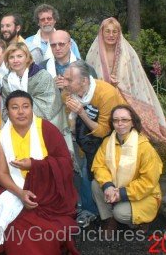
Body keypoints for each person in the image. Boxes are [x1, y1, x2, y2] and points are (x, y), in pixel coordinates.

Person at [0, 90, 78, 254]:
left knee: (42, 233)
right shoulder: (1, 137)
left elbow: (65, 163)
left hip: (49, 193)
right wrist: (20, 193)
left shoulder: (47, 129)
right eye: (15, 107)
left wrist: (34, 166)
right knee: (16, 232)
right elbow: (2, 174)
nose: (20, 112)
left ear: (32, 109)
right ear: (7, 112)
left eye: (25, 107)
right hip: (17, 190)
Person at [86, 17, 166, 143]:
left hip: (126, 96)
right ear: (101, 33)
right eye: (107, 31)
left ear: (119, 34)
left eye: (115, 32)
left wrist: (118, 83)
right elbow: (90, 79)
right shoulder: (92, 53)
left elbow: (135, 77)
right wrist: (107, 85)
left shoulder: (128, 53)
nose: (111, 35)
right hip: (102, 99)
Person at [63, 60, 126, 219]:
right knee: (85, 172)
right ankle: (91, 210)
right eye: (65, 79)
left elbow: (103, 131)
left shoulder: (106, 93)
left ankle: (99, 212)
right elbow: (68, 114)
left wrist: (82, 113)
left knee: (92, 173)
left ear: (84, 81)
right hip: (86, 140)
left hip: (114, 139)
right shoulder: (71, 91)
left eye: (69, 80)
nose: (65, 83)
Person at [91, 105, 163, 236]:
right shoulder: (108, 142)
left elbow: (148, 181)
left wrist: (122, 193)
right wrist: (108, 186)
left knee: (121, 213)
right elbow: (99, 166)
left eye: (124, 120)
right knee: (96, 185)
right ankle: (109, 219)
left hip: (143, 193)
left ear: (133, 122)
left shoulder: (144, 147)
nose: (120, 124)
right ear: (112, 123)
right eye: (116, 120)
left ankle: (141, 221)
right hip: (116, 187)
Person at [1, 43, 65, 133]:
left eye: (19, 56)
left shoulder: (42, 76)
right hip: (16, 125)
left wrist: (19, 112)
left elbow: (47, 104)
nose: (15, 60)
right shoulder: (7, 80)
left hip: (46, 124)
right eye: (11, 57)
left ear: (27, 58)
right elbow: (6, 106)